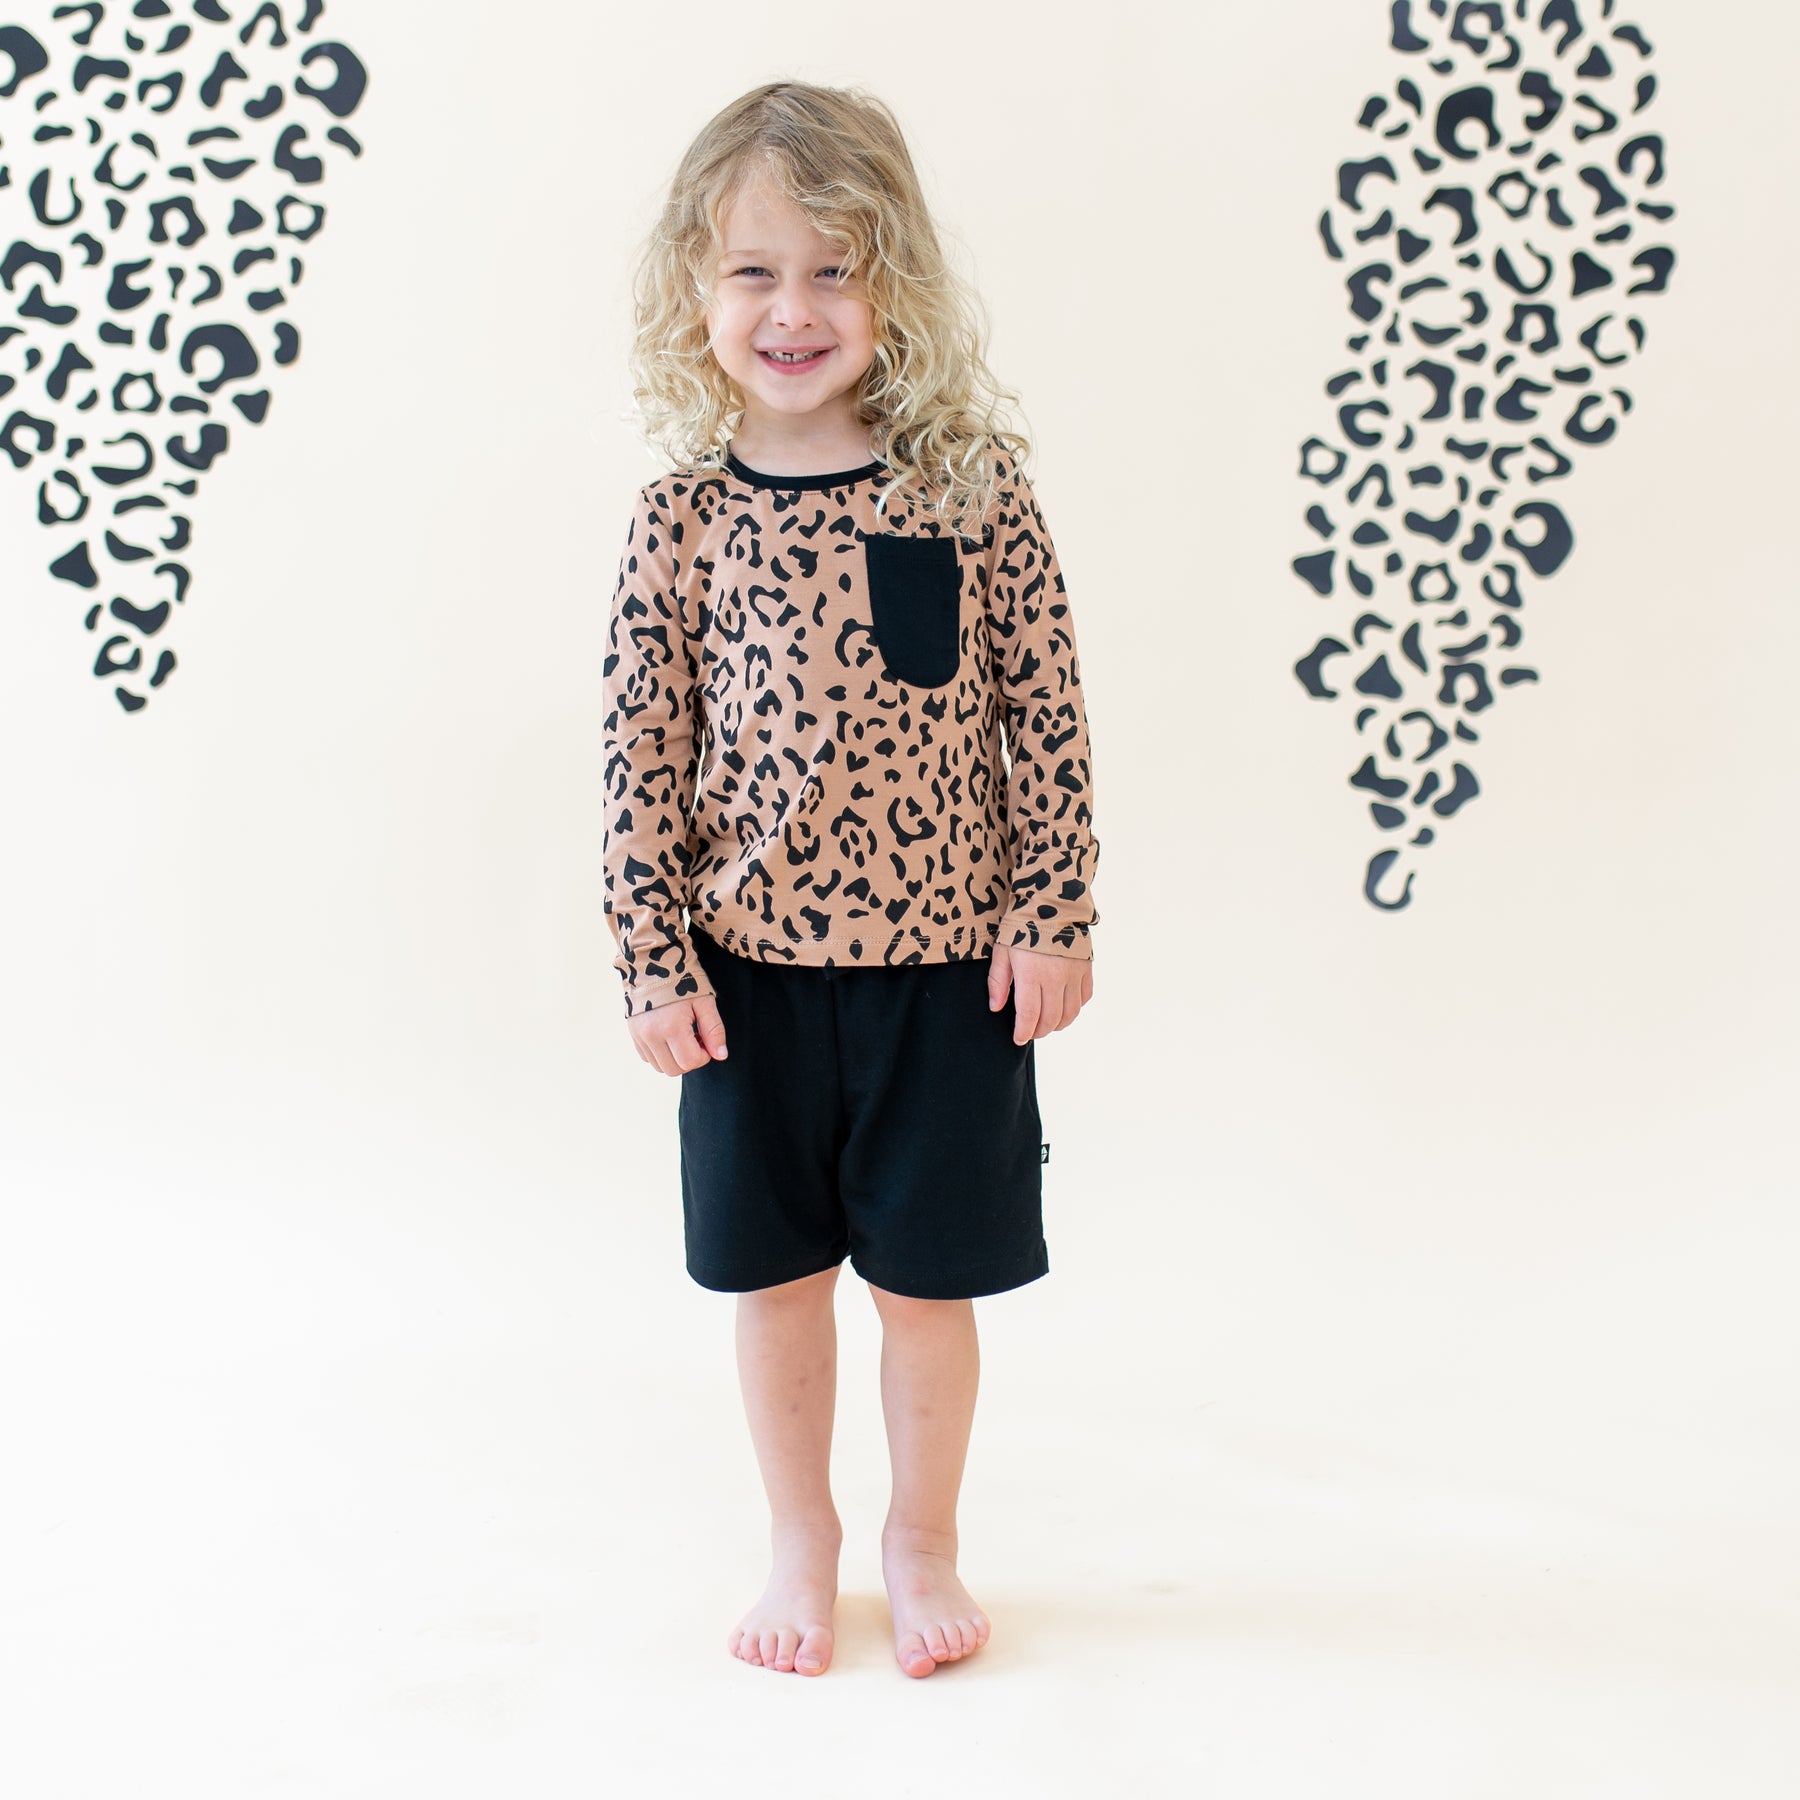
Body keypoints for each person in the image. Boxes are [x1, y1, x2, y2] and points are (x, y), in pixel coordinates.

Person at [601, 80, 1101, 1681]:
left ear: (899, 284)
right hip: (747, 982)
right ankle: (802, 1532)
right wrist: (651, 956)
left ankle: (924, 1536)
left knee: (928, 1289)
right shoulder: (683, 520)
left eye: (835, 268)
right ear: (696, 290)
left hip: (948, 979)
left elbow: (1048, 715)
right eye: (755, 271)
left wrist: (1056, 910)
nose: (796, 309)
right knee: (776, 1282)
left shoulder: (969, 493)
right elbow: (634, 756)